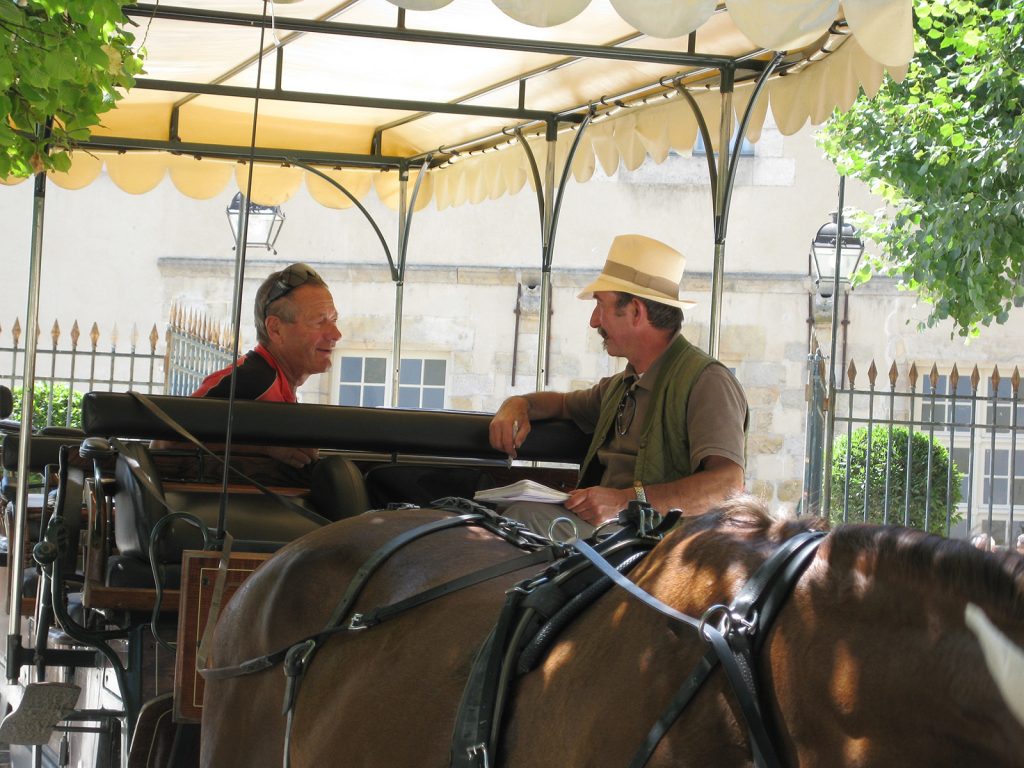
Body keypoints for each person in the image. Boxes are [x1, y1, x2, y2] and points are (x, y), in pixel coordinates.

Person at [489, 234, 748, 538]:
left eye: (601, 305)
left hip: (656, 555)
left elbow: (727, 485)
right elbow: (560, 404)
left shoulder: (707, 381)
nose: (594, 321)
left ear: (636, 312)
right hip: (612, 540)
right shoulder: (622, 385)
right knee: (501, 519)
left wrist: (624, 501)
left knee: (517, 520)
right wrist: (518, 404)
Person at [156, 263, 364, 518]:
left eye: (333, 320)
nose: (336, 333)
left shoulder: (274, 381)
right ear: (275, 329)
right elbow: (165, 440)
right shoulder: (253, 379)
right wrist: (264, 447)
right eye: (320, 322)